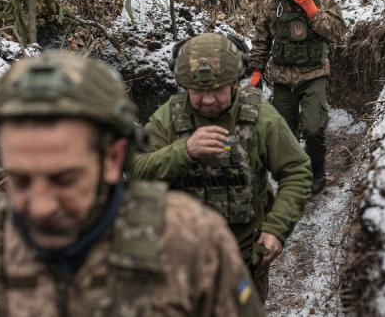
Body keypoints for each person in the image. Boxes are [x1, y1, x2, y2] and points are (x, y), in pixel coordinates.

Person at [0, 51, 264, 317]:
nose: (40, 206)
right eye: (20, 180)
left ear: (112, 159)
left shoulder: (189, 243)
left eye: (64, 179)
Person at [131, 33, 312, 302]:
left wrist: (276, 228)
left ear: (234, 84)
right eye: (198, 91)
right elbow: (135, 170)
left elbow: (296, 171)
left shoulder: (261, 117)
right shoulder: (168, 119)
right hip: (181, 256)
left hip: (244, 255)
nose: (207, 100)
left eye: (217, 90)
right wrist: (184, 150)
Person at [249, 0, 347, 194]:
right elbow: (261, 39)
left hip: (314, 74)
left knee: (314, 128)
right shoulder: (271, 4)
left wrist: (313, 12)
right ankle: (292, 177)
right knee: (284, 132)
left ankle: (317, 171)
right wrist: (256, 70)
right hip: (282, 77)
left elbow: (338, 33)